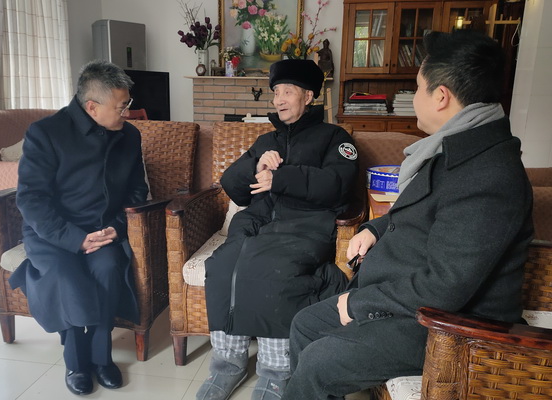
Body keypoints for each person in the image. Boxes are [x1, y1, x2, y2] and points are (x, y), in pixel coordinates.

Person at [281, 30, 534, 400]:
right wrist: (375, 228)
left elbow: (445, 287)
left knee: (319, 362)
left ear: (441, 97)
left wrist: (359, 303)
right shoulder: (460, 145)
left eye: (417, 88)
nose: (414, 99)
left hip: (451, 326)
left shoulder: (489, 176)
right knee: (306, 322)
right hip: (412, 298)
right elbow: (432, 211)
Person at [197, 59, 359, 400]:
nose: (278, 100)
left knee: (272, 272)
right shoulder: (265, 140)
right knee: (221, 266)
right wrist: (256, 164)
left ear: (309, 96)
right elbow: (233, 187)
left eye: (287, 92)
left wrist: (281, 178)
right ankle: (227, 365)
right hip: (256, 225)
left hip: (304, 228)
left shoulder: (335, 138)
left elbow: (339, 185)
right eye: (275, 93)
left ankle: (275, 371)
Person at [9, 60, 149, 395]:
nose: (128, 113)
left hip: (103, 231)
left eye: (127, 104)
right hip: (53, 234)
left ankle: (101, 357)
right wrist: (74, 239)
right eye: (121, 106)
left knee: (109, 268)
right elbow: (31, 199)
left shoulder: (129, 136)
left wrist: (117, 228)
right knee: (66, 276)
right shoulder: (46, 133)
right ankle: (76, 361)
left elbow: (136, 190)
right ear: (92, 107)